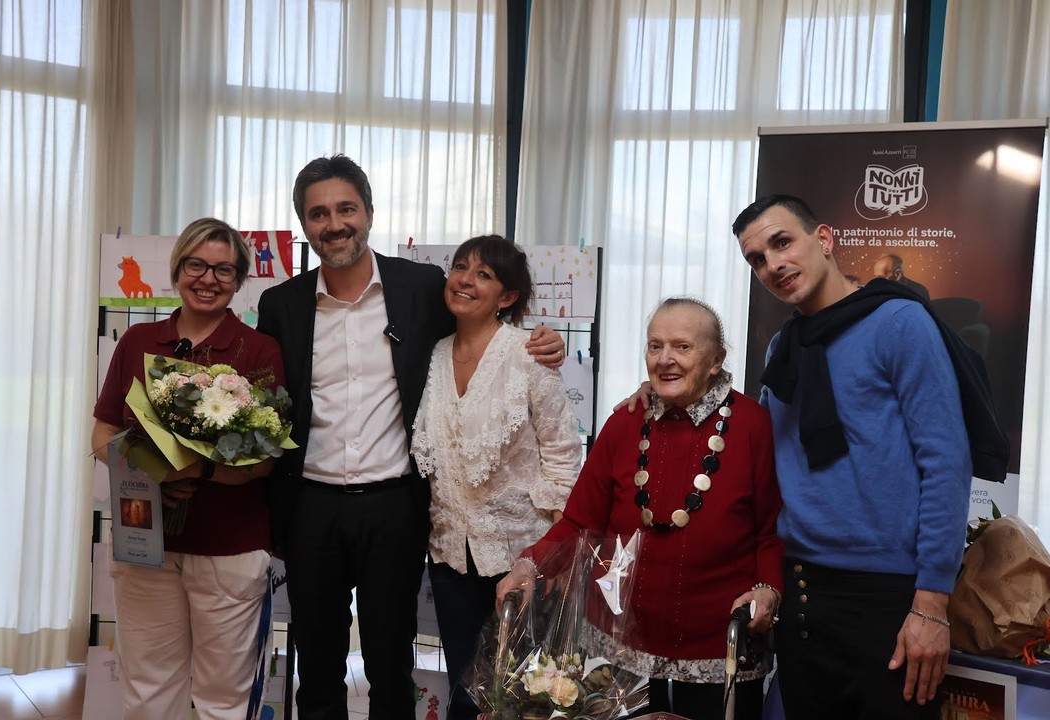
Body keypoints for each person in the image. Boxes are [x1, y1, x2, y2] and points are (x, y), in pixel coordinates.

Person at [255, 155, 565, 720]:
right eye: (319, 213)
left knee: (390, 665)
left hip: (394, 507)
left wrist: (543, 340)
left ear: (370, 213)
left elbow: (484, 329)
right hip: (311, 507)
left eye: (346, 208)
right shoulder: (281, 304)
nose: (334, 224)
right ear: (304, 224)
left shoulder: (420, 287)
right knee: (316, 666)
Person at [733, 195, 973, 718]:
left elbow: (946, 462)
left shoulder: (899, 322)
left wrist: (932, 602)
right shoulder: (783, 346)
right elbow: (756, 446)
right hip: (801, 590)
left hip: (889, 597)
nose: (773, 264)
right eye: (757, 259)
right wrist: (665, 394)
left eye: (782, 242)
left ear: (823, 239)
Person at [498, 297, 783, 720]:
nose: (665, 359)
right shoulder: (625, 422)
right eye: (655, 345)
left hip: (720, 651)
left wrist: (768, 589)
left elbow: (770, 532)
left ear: (716, 360)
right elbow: (579, 520)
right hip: (620, 648)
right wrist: (529, 565)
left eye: (682, 347)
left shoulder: (753, 425)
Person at [91, 217, 286, 720]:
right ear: (178, 270)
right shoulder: (138, 341)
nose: (208, 279)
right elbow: (102, 435)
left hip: (228, 547)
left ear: (240, 281)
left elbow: (265, 460)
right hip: (145, 541)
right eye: (197, 265)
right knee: (148, 689)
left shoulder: (257, 350)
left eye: (224, 270)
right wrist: (153, 473)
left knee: (224, 698)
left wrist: (196, 472)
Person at [411, 235, 582, 720]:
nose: (466, 280)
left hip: (521, 556)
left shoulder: (528, 355)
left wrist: (556, 554)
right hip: (449, 557)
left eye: (483, 275)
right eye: (460, 267)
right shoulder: (431, 354)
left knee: (526, 696)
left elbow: (563, 454)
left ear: (506, 296)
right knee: (466, 692)